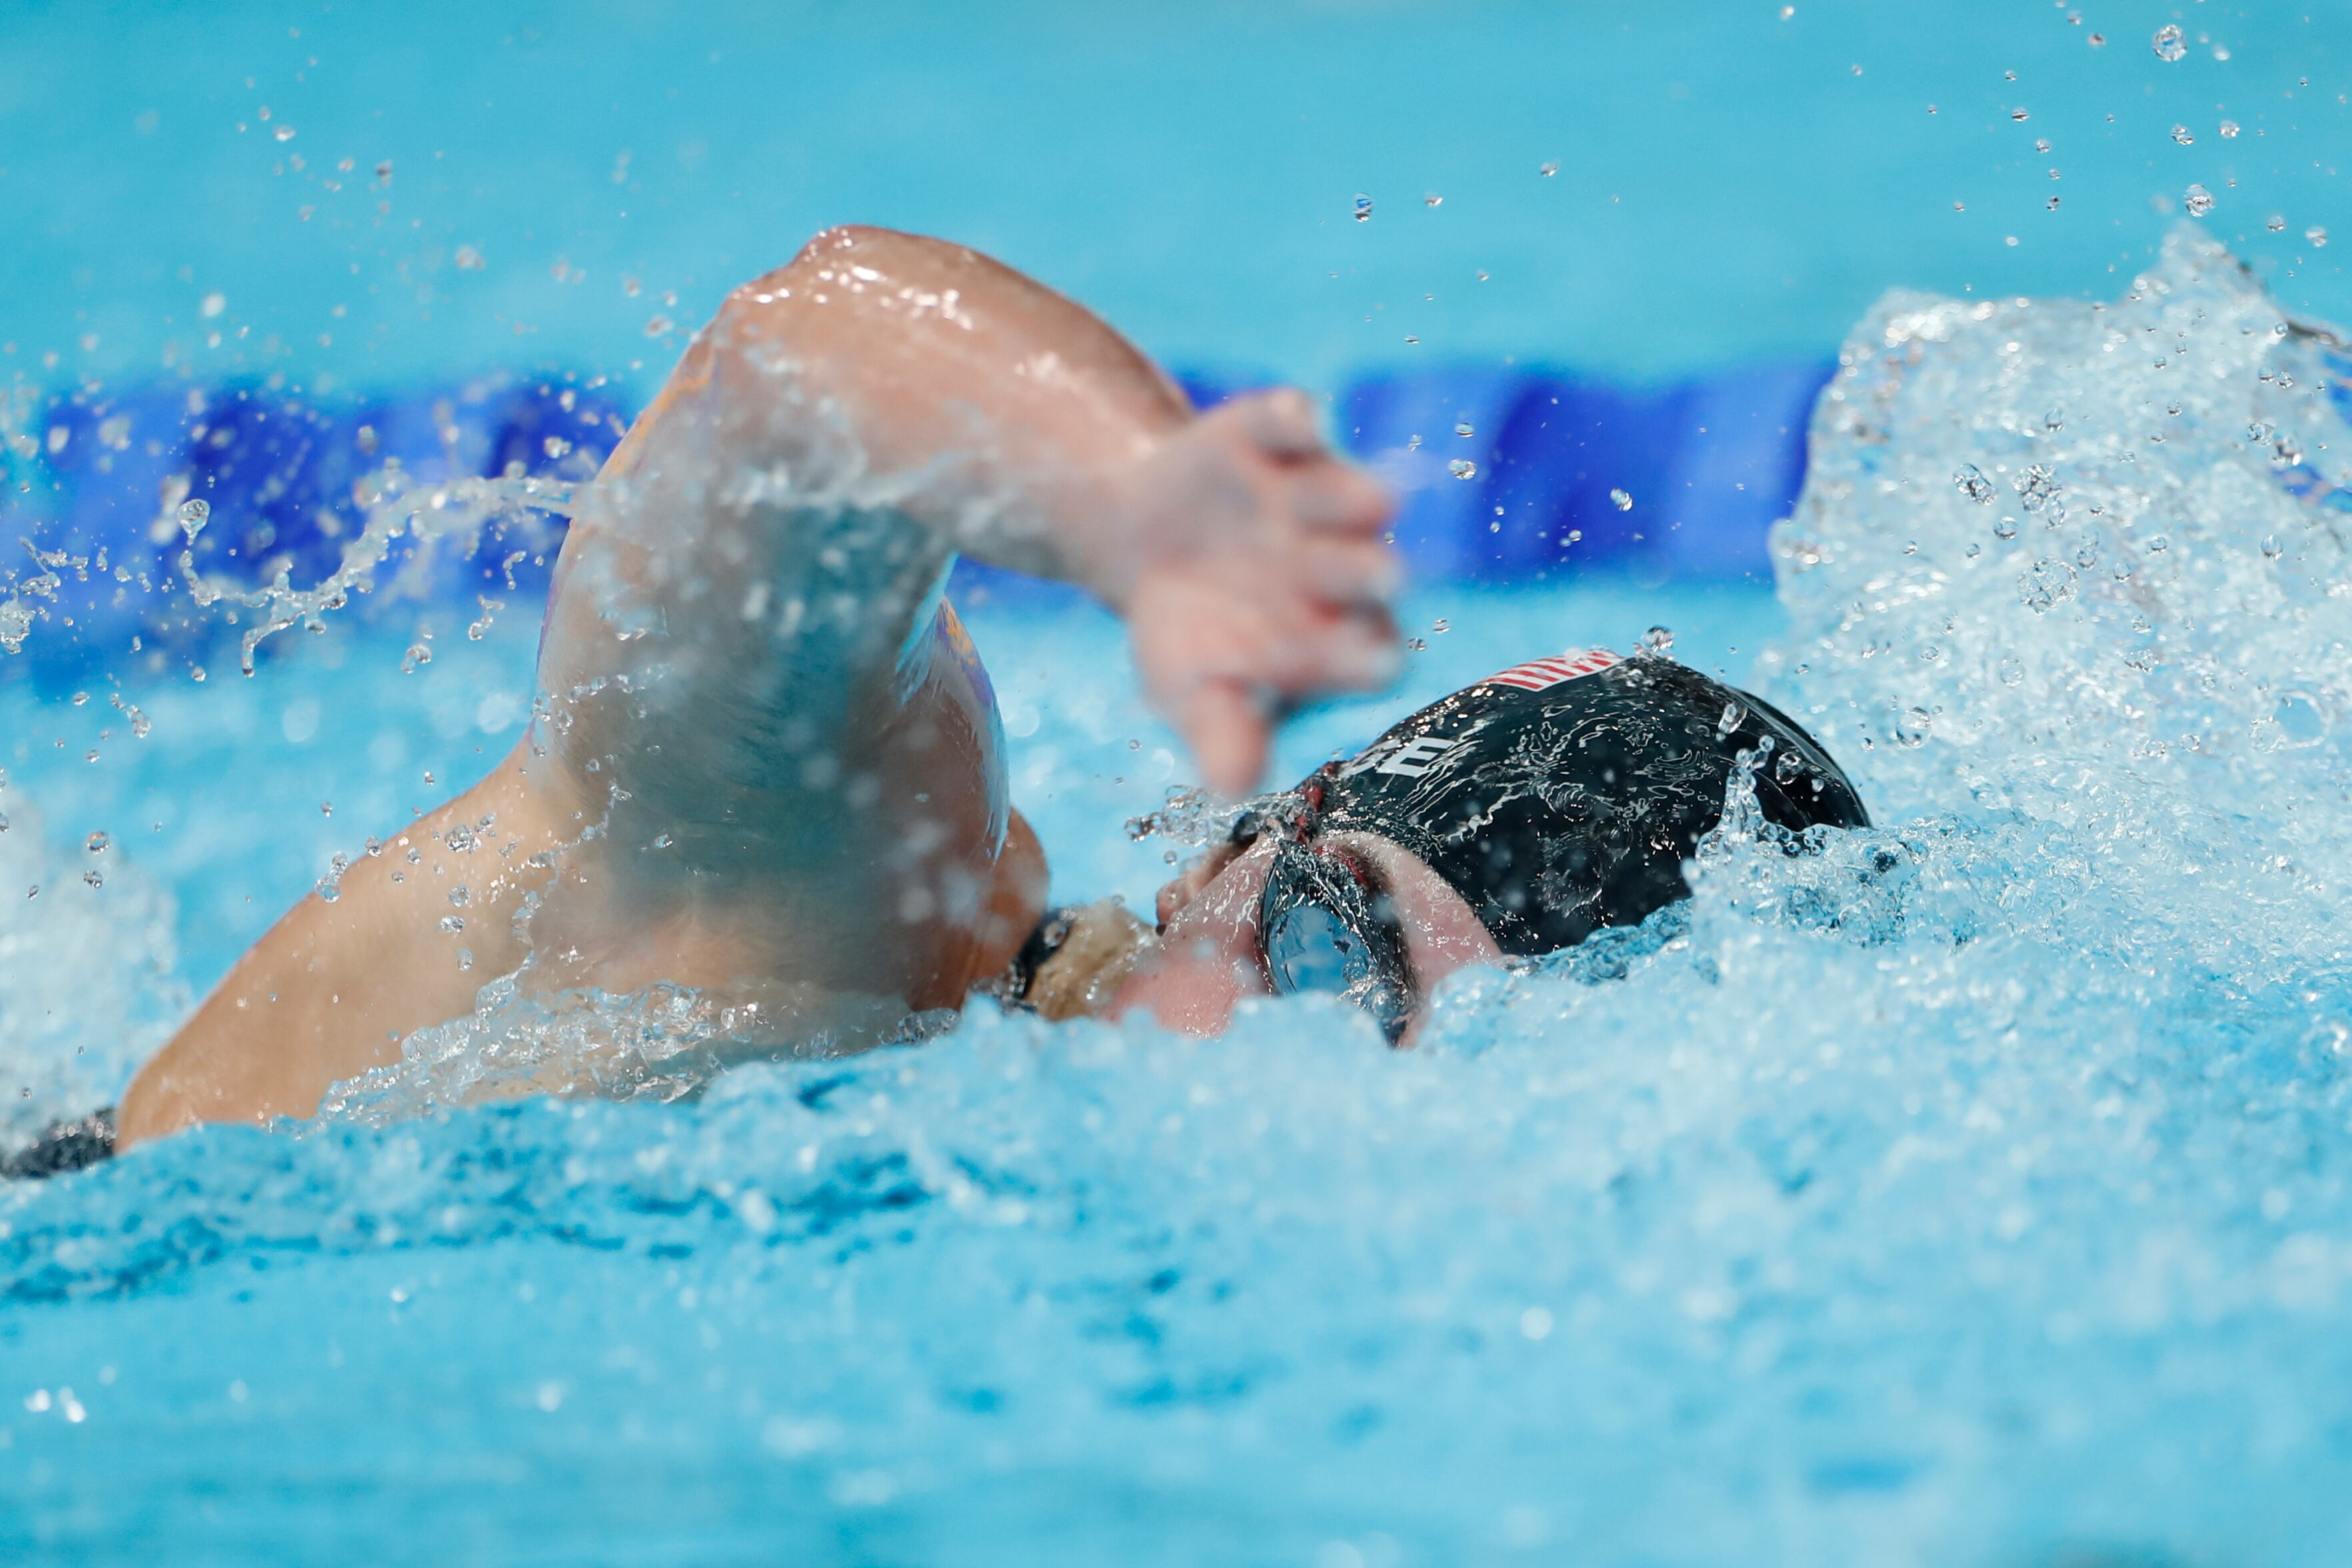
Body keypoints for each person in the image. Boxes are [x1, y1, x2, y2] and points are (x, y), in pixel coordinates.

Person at [7, 227, 1866, 1176]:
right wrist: (1140, 492)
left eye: (1427, 1080)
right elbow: (795, 363)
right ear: (1244, 843)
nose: (1281, 1073)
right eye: (1316, 959)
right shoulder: (847, 867)